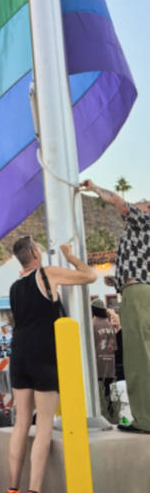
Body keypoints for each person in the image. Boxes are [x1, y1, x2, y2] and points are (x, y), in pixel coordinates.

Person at [7, 237, 97, 493]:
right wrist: (70, 255)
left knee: (21, 422)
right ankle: (34, 489)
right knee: (44, 424)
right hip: (43, 353)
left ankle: (13, 487)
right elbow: (89, 276)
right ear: (35, 253)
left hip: (19, 352)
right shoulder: (47, 274)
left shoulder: (14, 287)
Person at [81, 179, 150, 434]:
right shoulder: (138, 232)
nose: (137, 205)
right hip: (137, 289)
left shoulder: (144, 221)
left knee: (138, 358)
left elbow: (118, 202)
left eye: (142, 204)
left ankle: (145, 420)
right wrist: (118, 280)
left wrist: (95, 188)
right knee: (143, 354)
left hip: (137, 293)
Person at [91, 297, 116, 421]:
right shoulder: (109, 325)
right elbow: (114, 346)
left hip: (97, 362)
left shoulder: (92, 324)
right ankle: (111, 414)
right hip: (110, 361)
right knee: (109, 392)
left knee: (97, 392)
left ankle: (99, 415)